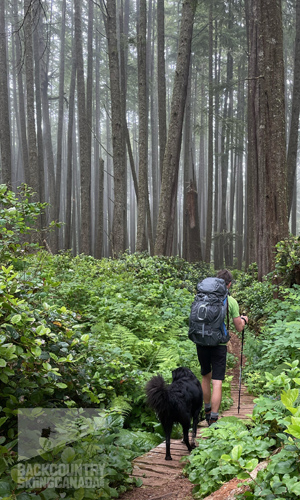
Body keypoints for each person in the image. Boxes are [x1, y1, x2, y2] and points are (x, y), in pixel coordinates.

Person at [196, 269, 248, 426]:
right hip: (219, 345)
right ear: (229, 284)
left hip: (202, 341)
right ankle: (214, 418)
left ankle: (206, 411)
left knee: (205, 376)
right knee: (217, 381)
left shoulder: (202, 297)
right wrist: (245, 320)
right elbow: (239, 327)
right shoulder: (230, 301)